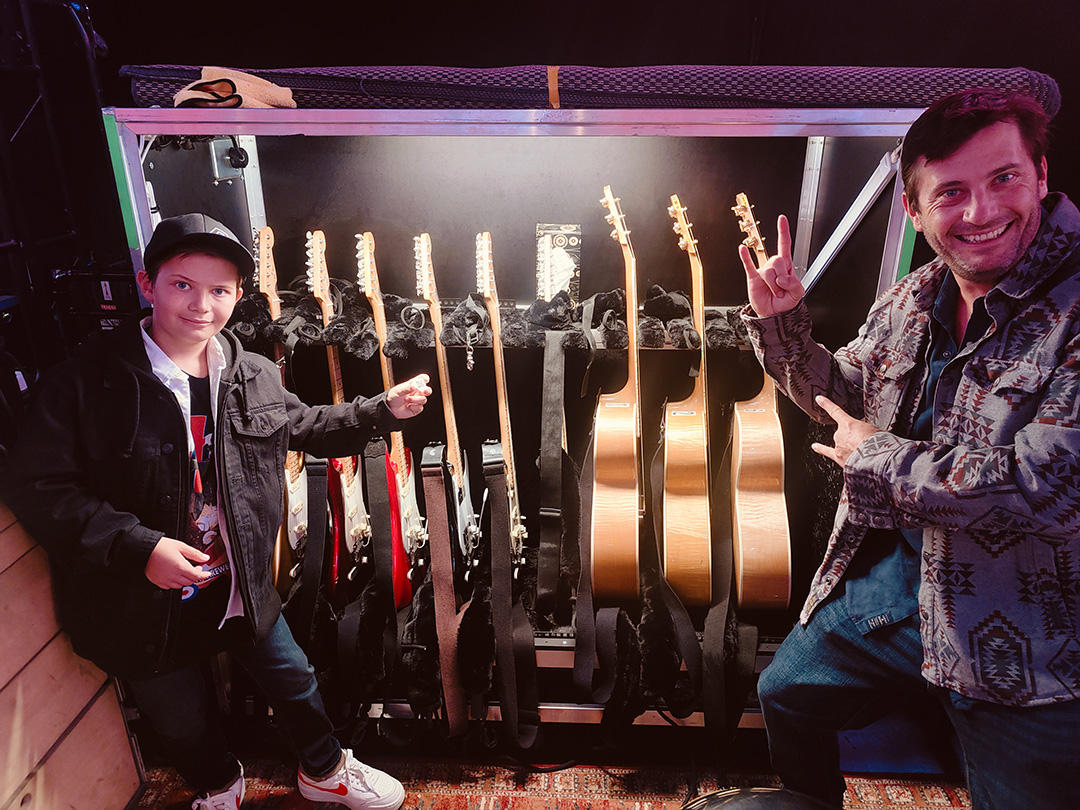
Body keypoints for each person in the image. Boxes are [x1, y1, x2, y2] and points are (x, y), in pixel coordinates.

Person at [0, 213, 433, 810]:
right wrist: (139, 548)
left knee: (296, 680)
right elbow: (39, 484)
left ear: (237, 296)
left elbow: (303, 424)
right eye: (182, 284)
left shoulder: (251, 372)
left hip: (238, 584)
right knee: (179, 716)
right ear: (147, 283)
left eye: (219, 290)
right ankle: (218, 784)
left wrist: (380, 409)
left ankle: (325, 769)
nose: (201, 305)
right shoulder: (84, 381)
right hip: (137, 599)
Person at [739, 88, 1080, 810]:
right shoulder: (916, 294)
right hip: (900, 590)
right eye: (950, 192)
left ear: (1041, 175)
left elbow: (1048, 487)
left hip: (1034, 644)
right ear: (914, 210)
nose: (981, 211)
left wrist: (877, 458)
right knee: (787, 692)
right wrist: (783, 326)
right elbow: (844, 398)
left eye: (1004, 178)